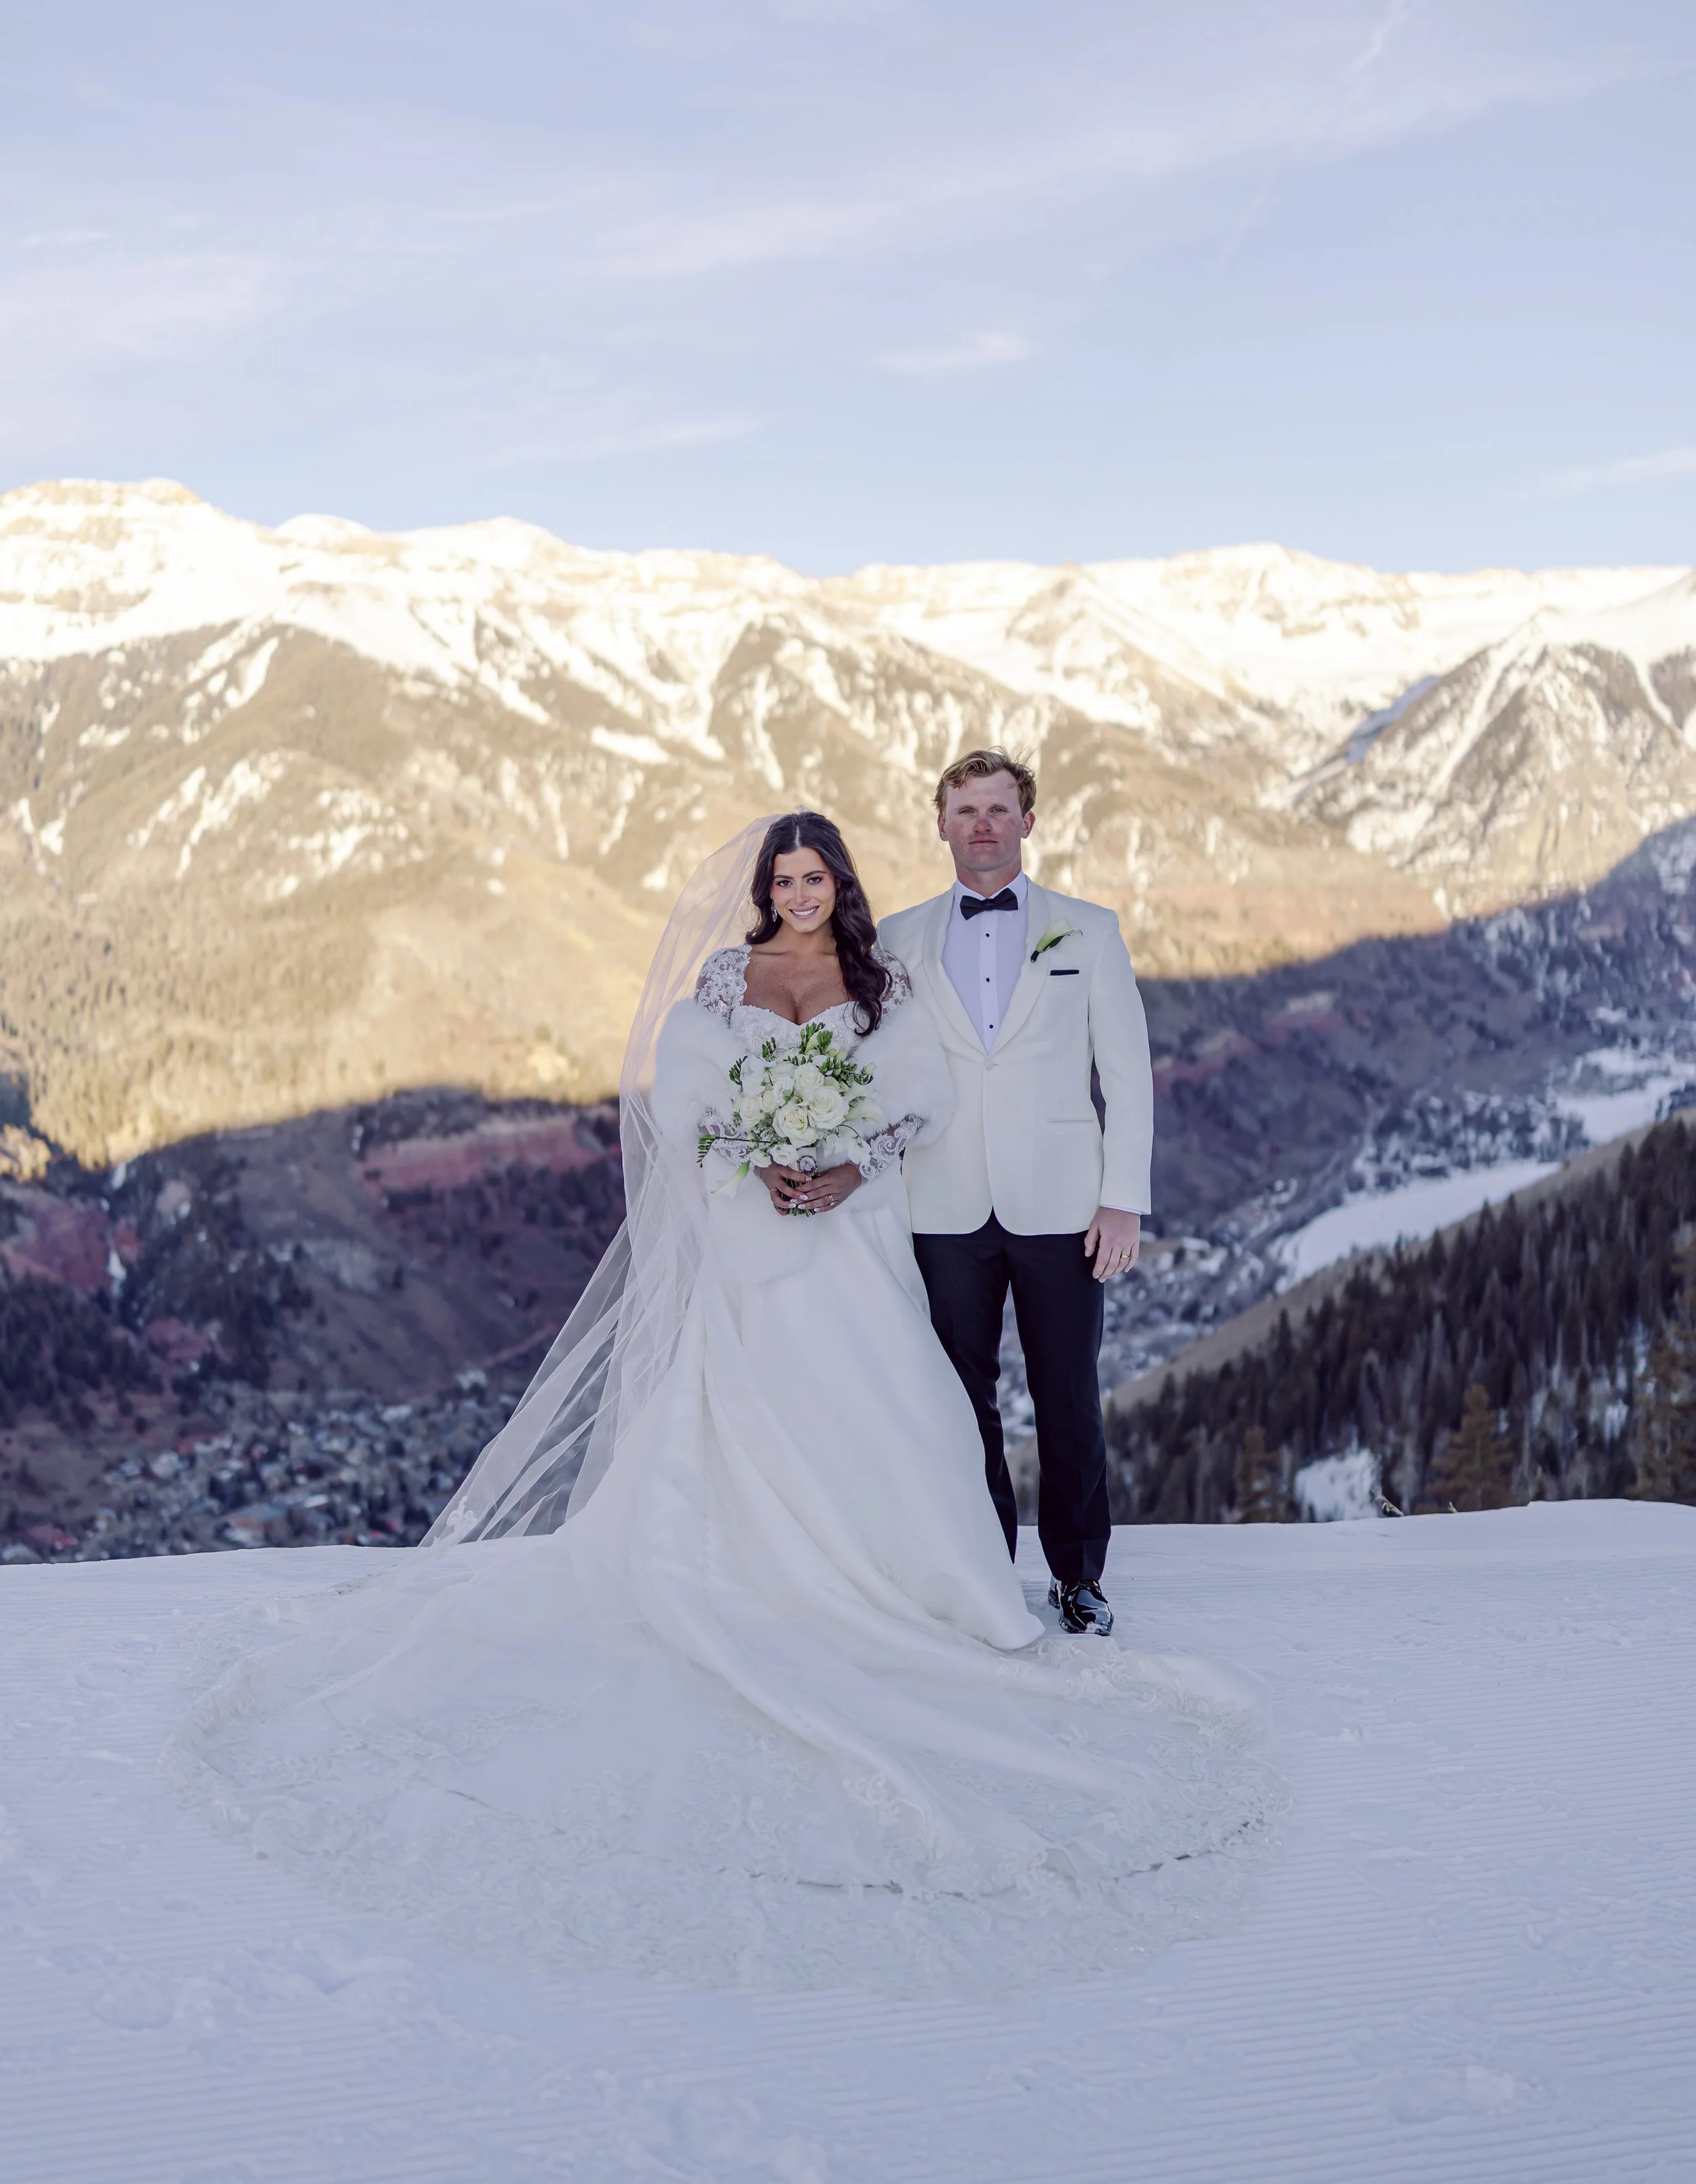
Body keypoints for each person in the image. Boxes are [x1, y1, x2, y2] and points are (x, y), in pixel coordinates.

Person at [167, 814, 1260, 1996]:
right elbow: (683, 1096)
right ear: (763, 888)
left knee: (902, 1408)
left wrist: (847, 1160)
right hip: (752, 1230)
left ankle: (925, 1580)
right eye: (782, 878)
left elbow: (921, 1094)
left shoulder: (883, 974)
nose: (800, 892)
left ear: (840, 881)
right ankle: (761, 1574)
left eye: (816, 874)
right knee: (760, 1401)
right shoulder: (728, 979)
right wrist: (754, 1148)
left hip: (857, 1232)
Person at [880, 750, 1153, 1636]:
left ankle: (1079, 1577)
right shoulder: (899, 939)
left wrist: (1123, 1198)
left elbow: (1128, 1074)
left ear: (1029, 822)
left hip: (1064, 1203)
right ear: (941, 823)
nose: (985, 824)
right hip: (940, 1201)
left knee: (1068, 1390)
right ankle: (980, 1569)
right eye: (967, 810)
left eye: (1001, 808)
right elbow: (879, 1070)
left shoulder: (1091, 930)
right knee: (959, 1398)